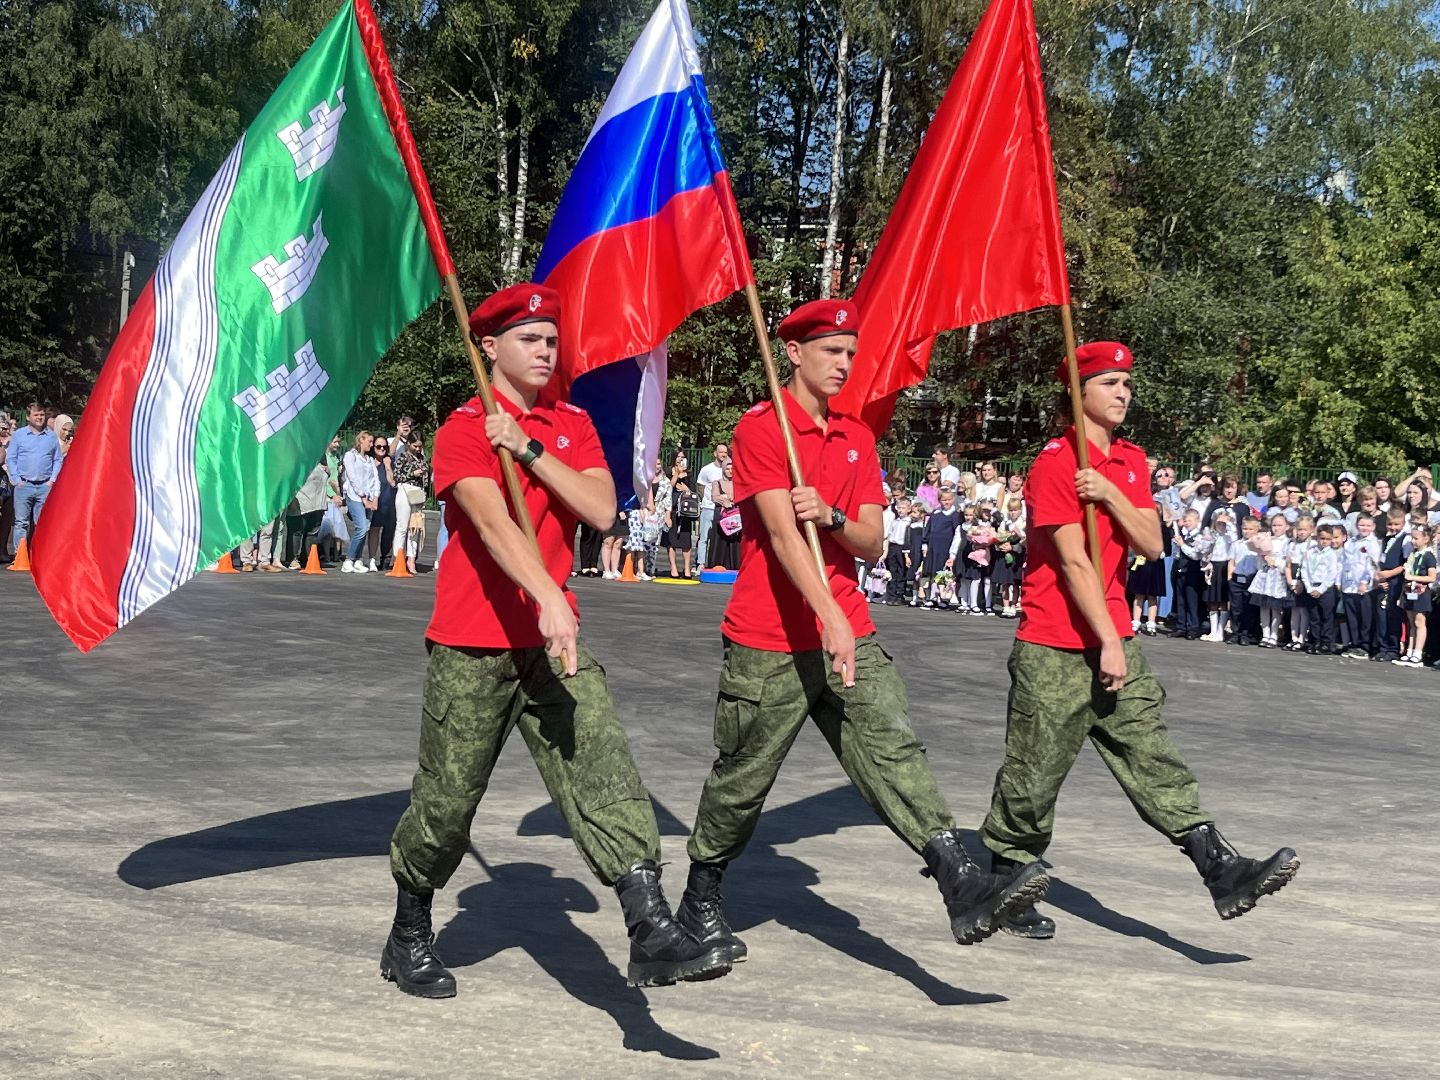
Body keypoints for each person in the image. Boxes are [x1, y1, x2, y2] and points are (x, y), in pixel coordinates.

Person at [382, 283, 730, 998]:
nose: (545, 351)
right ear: (489, 346)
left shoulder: (570, 424)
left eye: (550, 339)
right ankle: (409, 927)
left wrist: (531, 446)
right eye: (528, 340)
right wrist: (545, 594)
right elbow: (490, 524)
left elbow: (602, 509)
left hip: (555, 640)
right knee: (446, 808)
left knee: (603, 765)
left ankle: (649, 925)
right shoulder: (461, 428)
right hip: (474, 642)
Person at [677, 298, 1047, 964]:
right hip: (770, 636)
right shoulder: (762, 429)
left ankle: (958, 880)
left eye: (851, 353)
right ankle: (700, 899)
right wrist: (825, 614)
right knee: (742, 781)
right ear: (793, 353)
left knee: (893, 748)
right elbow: (783, 538)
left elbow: (873, 542)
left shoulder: (856, 437)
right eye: (831, 352)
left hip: (849, 626)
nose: (845, 364)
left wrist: (833, 512)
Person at [976, 341, 1298, 939]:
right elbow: (1073, 564)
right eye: (1108, 383)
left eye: (1126, 382)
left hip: (1116, 634)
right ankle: (1004, 885)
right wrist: (1109, 642)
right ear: (1078, 394)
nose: (1123, 393)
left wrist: (1112, 494)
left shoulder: (1129, 459)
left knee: (1153, 756)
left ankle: (1220, 869)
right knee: (1034, 774)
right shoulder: (1054, 462)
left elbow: (1151, 543)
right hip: (1057, 643)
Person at [5, 402, 61, 554]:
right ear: (29, 417)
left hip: (44, 486)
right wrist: (16, 480)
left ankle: (38, 554)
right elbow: (11, 458)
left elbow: (57, 460)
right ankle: (20, 555)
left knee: (42, 523)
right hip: (24, 485)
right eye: (36, 415)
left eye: (42, 415)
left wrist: (52, 480)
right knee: (21, 522)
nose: (40, 418)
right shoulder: (19, 435)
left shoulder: (51, 436)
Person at [1394, 523, 1436, 667]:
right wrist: (1401, 595)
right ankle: (1410, 651)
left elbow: (1432, 577)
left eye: (1416, 538)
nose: (1413, 541)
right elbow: (1407, 575)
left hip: (1421, 593)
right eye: (1412, 538)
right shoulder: (1413, 555)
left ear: (1426, 539)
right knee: (1411, 622)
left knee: (1420, 622)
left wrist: (1413, 578)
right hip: (1409, 591)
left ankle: (1418, 653)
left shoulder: (1429, 556)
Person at [1341, 512, 1382, 657]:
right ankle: (1355, 643)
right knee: (1352, 616)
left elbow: (1372, 565)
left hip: (1365, 587)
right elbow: (1344, 562)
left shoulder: (1373, 543)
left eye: (1368, 525)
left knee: (1365, 618)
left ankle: (1365, 646)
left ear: (1373, 526)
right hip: (1349, 584)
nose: (1364, 528)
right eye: (1362, 525)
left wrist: (1365, 582)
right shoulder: (1351, 542)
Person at [1250, 512, 1293, 647]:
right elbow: (1259, 559)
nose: (1276, 528)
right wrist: (1263, 558)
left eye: (1279, 525)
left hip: (1278, 576)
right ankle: (1265, 634)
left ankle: (1274, 634)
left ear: (1286, 526)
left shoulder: (1288, 542)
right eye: (1274, 525)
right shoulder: (1267, 539)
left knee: (1275, 607)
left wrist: (1275, 562)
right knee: (1263, 606)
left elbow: (1288, 562)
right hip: (1265, 575)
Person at [393, 432, 430, 575]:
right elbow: (397, 476)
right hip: (405, 489)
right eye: (415, 446)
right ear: (408, 443)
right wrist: (413, 474)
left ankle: (411, 559)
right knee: (402, 526)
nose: (418, 449)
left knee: (415, 526)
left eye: (420, 446)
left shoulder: (422, 458)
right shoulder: (403, 457)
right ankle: (398, 558)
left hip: (418, 492)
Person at [342, 431, 379, 573]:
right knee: (362, 527)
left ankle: (358, 559)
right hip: (355, 496)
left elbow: (375, 480)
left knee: (366, 528)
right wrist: (363, 497)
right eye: (369, 441)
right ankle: (349, 560)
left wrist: (375, 497)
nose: (371, 444)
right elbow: (352, 478)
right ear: (361, 440)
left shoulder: (369, 460)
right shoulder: (350, 456)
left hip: (368, 498)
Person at [284, 460, 329, 568]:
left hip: (318, 502)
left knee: (312, 532)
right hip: (301, 500)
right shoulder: (299, 457)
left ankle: (308, 558)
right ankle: (292, 558)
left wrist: (327, 471)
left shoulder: (322, 459)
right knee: (296, 531)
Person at [1228, 514, 1263, 645]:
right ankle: (1235, 632)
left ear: (1256, 530)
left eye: (1250, 529)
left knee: (1249, 608)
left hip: (1251, 579)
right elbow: (1231, 561)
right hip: (1237, 579)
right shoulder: (1237, 544)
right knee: (1236, 608)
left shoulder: (1259, 546)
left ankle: (1246, 633)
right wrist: (1230, 577)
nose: (1247, 531)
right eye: (1244, 528)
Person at [694, 443, 730, 570]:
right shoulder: (707, 469)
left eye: (725, 452)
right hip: (708, 508)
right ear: (715, 453)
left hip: (722, 510)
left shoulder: (728, 469)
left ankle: (716, 562)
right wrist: (708, 499)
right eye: (721, 452)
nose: (723, 454)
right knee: (704, 537)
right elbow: (700, 486)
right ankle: (700, 563)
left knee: (718, 538)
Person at [661, 457, 697, 578]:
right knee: (671, 540)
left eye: (683, 457)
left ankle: (686, 568)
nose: (680, 460)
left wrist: (685, 488)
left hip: (685, 511)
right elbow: (667, 488)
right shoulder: (667, 471)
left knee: (686, 539)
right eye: (678, 457)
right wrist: (676, 474)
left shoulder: (689, 474)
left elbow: (694, 491)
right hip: (671, 508)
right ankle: (673, 567)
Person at [368, 435, 398, 572]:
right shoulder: (368, 462)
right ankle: (371, 559)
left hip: (388, 500)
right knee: (373, 529)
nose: (381, 449)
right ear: (373, 447)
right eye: (378, 446)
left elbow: (393, 483)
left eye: (384, 447)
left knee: (389, 531)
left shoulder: (389, 462)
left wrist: (387, 466)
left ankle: (385, 559)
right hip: (374, 501)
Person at [705, 459, 741, 571]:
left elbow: (740, 496)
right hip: (722, 515)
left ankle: (735, 565)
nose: (730, 471)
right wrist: (725, 500)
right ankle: (717, 564)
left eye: (732, 469)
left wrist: (727, 497)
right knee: (719, 540)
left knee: (735, 540)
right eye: (727, 469)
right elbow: (715, 497)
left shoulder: (739, 483)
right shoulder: (717, 482)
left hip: (735, 515)